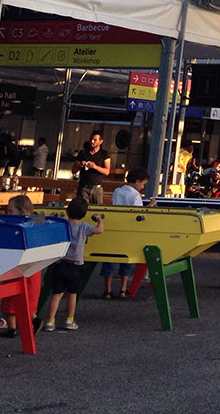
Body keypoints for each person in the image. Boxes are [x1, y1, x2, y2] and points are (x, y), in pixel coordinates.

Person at [42, 198, 103, 331]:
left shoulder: (62, 224)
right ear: (84, 214)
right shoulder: (83, 227)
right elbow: (99, 230)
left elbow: (47, 227)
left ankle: (50, 321)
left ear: (67, 211)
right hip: (75, 265)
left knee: (56, 294)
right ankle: (69, 320)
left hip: (59, 263)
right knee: (72, 294)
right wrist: (99, 219)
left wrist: (51, 218)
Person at [0, 195, 42, 337]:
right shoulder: (37, 221)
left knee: (9, 300)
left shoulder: (17, 225)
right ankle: (33, 320)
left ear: (21, 210)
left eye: (11, 211)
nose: (8, 214)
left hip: (17, 266)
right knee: (29, 299)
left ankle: (12, 328)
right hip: (34, 266)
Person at [101, 168, 156, 299]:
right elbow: (138, 214)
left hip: (115, 228)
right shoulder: (135, 195)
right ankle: (123, 289)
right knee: (126, 259)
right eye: (142, 184)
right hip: (129, 231)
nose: (142, 187)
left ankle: (108, 290)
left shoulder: (117, 191)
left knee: (110, 259)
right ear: (137, 182)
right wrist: (150, 206)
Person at [74, 131, 111, 204]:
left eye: (95, 140)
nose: (92, 141)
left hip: (97, 187)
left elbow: (107, 171)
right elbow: (73, 170)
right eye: (91, 139)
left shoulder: (104, 154)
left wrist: (95, 167)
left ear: (101, 141)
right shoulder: (83, 153)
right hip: (83, 187)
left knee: (97, 210)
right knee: (82, 208)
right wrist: (80, 165)